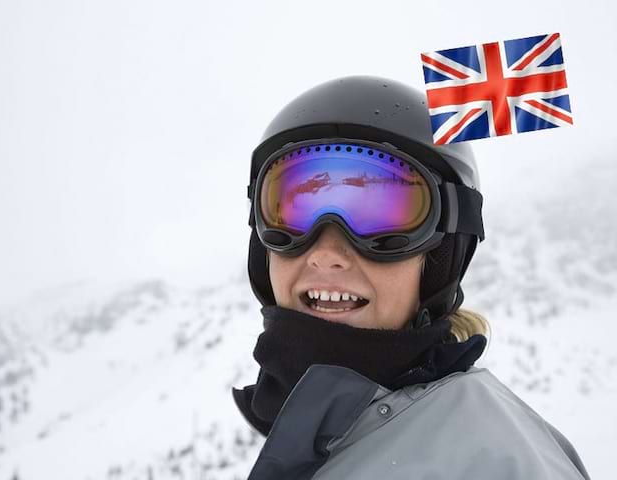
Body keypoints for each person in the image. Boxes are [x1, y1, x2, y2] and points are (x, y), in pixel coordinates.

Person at [232, 76, 591, 479]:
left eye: (379, 217)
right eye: (296, 209)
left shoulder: (494, 464)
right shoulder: (325, 437)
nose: (327, 254)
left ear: (441, 254)